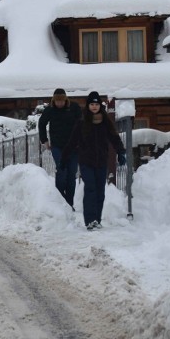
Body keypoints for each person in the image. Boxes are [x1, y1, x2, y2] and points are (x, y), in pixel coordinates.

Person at [60, 91, 126, 231]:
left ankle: (97, 219)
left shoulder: (106, 123)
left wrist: (121, 152)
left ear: (99, 106)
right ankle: (90, 221)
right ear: (88, 106)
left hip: (101, 161)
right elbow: (72, 141)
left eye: (96, 104)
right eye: (92, 104)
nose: (94, 107)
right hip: (86, 161)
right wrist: (64, 158)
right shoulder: (82, 123)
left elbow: (114, 138)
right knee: (90, 189)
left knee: (100, 192)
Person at [38, 88, 82, 210]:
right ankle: (61, 202)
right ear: (53, 101)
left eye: (62, 101)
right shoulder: (50, 110)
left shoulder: (74, 108)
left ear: (65, 99)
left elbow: (82, 123)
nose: (59, 104)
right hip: (57, 146)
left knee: (71, 174)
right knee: (62, 171)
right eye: (57, 101)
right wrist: (44, 140)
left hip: (74, 147)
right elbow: (42, 123)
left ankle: (69, 203)